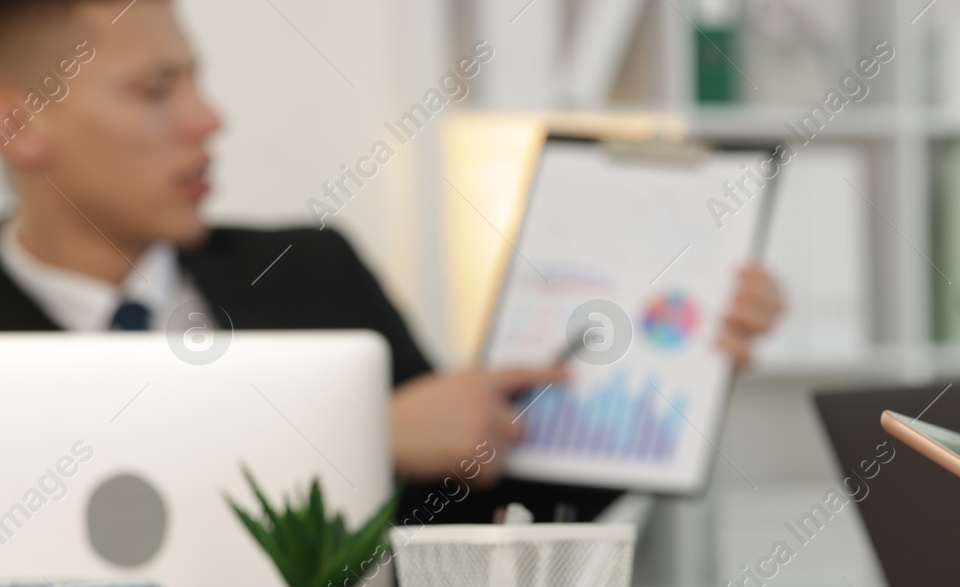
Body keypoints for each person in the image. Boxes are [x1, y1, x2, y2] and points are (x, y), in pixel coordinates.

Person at [0, 0, 783, 525]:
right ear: (19, 124)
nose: (208, 118)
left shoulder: (311, 272)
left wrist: (675, 369)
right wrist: (354, 439)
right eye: (154, 90)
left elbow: (488, 520)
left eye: (196, 80)